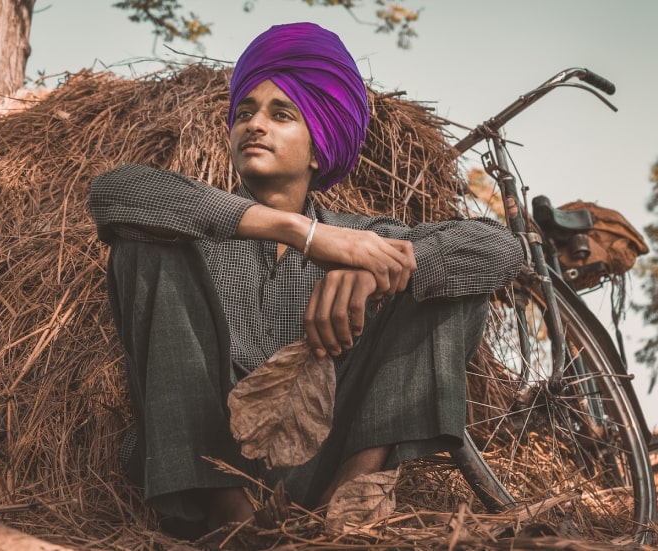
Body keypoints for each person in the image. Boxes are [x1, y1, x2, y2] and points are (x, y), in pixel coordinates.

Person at [89, 21, 523, 539]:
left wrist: (377, 274)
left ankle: (353, 502)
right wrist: (305, 233)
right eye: (245, 112)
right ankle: (228, 516)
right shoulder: (196, 230)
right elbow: (115, 191)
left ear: (318, 150)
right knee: (142, 245)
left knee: (445, 277)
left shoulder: (363, 238)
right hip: (204, 459)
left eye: (281, 113)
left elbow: (498, 248)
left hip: (324, 457)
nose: (255, 124)